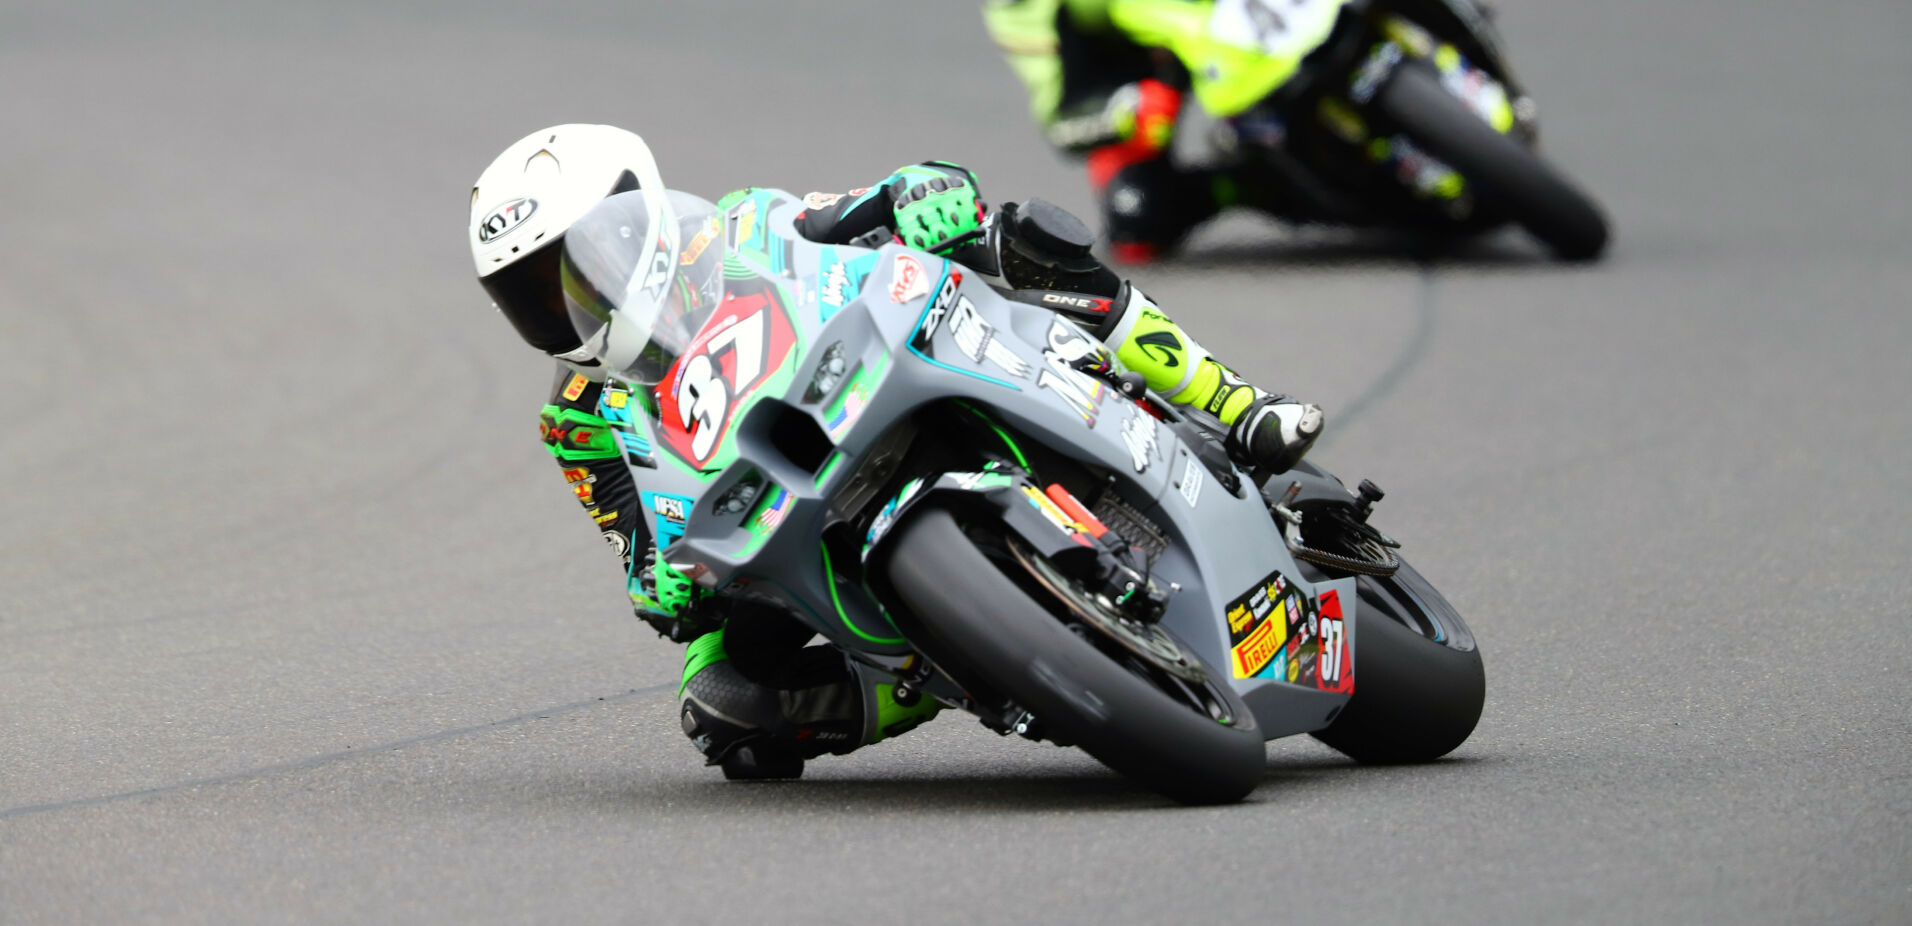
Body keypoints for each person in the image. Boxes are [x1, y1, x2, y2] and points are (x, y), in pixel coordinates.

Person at [468, 124, 1322, 778]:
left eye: (572, 266)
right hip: (771, 509)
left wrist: (914, 196)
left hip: (876, 371)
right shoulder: (579, 416)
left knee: (1021, 238)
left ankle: (1236, 403)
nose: (564, 303)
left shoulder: (742, 226)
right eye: (532, 293)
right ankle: (956, 664)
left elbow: (856, 209)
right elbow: (636, 539)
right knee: (724, 709)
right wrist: (661, 586)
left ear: (635, 210)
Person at [983, 0, 1291, 262]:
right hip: (1164, 58)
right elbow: (1061, 121)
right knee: (1138, 213)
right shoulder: (1019, 9)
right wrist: (1131, 107)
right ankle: (1262, 180)